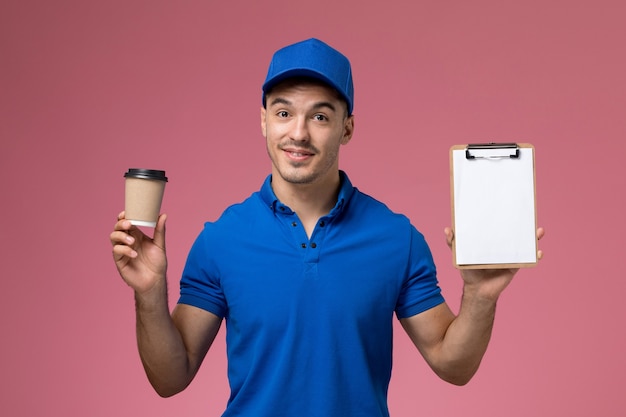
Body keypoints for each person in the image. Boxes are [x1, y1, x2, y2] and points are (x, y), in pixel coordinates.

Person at [110, 38, 544, 416]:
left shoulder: (397, 238)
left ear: (347, 127)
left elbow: (453, 364)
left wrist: (480, 297)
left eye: (320, 117)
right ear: (263, 121)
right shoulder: (221, 239)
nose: (297, 133)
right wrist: (149, 293)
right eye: (283, 113)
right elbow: (170, 378)